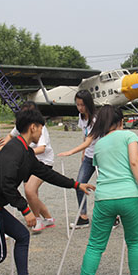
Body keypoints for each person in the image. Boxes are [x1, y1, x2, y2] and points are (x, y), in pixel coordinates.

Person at [0, 109, 94, 275]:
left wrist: (76, 184)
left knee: (22, 235)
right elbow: (6, 185)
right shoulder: (13, 149)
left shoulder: (26, 151)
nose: (41, 132)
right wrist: (26, 210)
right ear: (33, 127)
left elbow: (47, 173)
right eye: (41, 128)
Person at [72, 106, 138, 275]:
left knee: (95, 245)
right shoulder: (129, 136)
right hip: (129, 195)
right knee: (134, 241)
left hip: (104, 197)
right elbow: (134, 162)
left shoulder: (99, 144)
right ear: (121, 121)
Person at [4, 101, 56, 233]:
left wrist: (22, 152)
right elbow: (10, 136)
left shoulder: (40, 127)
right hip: (28, 162)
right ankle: (48, 218)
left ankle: (37, 219)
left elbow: (42, 148)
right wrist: (2, 148)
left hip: (43, 162)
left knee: (29, 190)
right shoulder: (22, 125)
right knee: (32, 194)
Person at [57, 90, 98, 228]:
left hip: (101, 156)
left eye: (82, 105)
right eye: (77, 104)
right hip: (89, 156)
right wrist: (84, 153)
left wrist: (71, 152)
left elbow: (89, 140)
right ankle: (83, 216)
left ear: (88, 104)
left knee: (105, 187)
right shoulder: (82, 117)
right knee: (79, 184)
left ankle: (114, 216)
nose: (80, 108)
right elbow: (85, 137)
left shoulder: (96, 119)